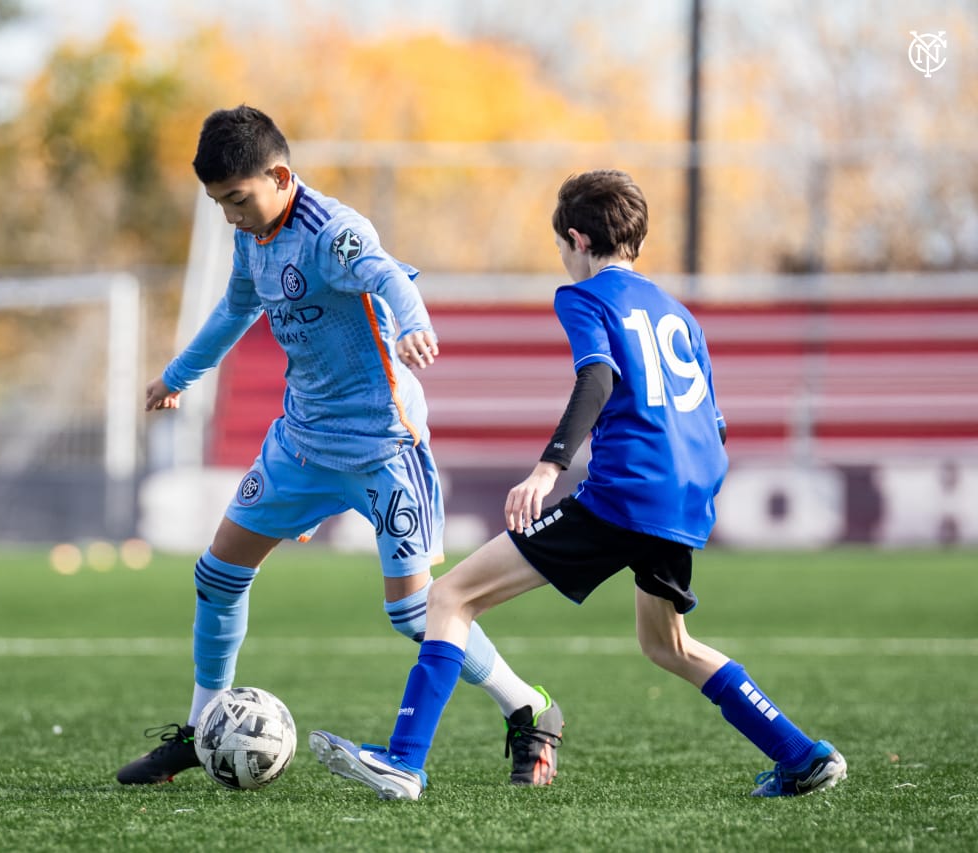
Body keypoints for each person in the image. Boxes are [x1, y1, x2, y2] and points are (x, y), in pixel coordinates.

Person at [309, 169, 848, 800]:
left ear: (575, 239)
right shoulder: (678, 314)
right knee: (667, 644)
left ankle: (404, 761)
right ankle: (803, 755)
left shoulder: (584, 296)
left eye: (561, 248)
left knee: (450, 596)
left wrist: (548, 468)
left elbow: (596, 379)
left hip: (626, 493)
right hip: (687, 494)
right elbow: (714, 423)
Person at [115, 105, 562, 787]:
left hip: (384, 448)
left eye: (237, 199)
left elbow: (388, 277)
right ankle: (205, 728)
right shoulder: (252, 237)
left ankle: (529, 706)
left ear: (281, 175)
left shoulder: (333, 233)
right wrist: (178, 376)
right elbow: (238, 308)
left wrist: (411, 325)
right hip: (301, 441)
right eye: (218, 204)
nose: (231, 216)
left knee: (416, 612)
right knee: (218, 574)